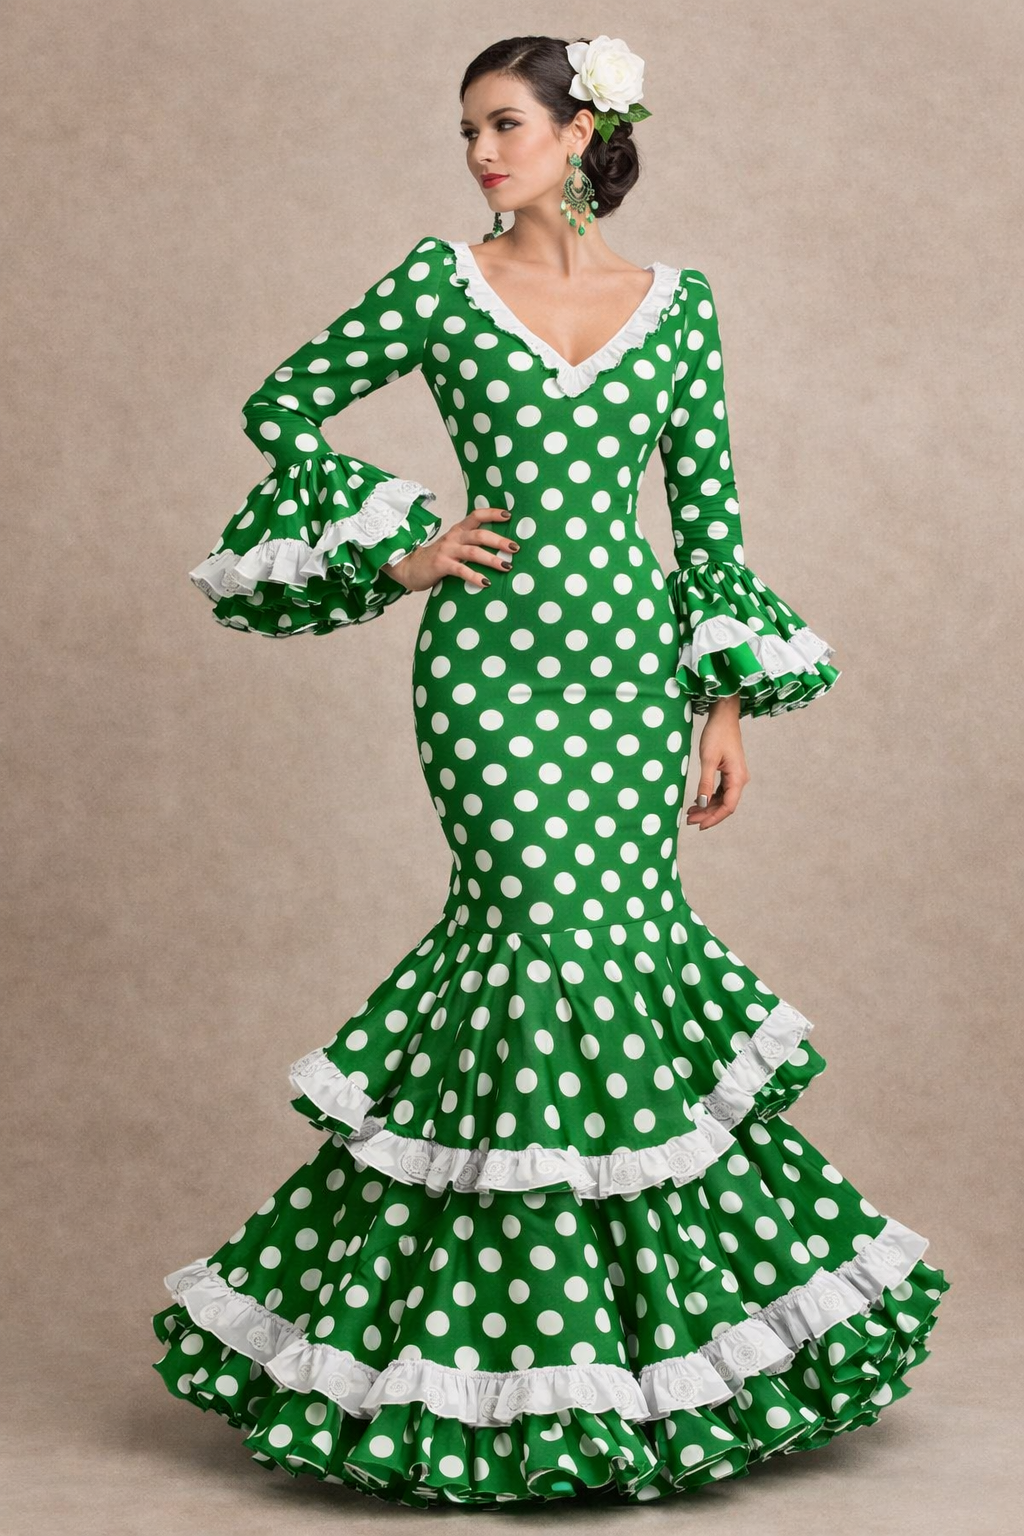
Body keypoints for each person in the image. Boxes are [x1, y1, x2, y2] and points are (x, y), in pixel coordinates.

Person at [154, 32, 950, 1509]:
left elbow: (708, 520)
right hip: (489, 680)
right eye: (467, 130)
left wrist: (723, 708)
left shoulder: (681, 306)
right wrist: (405, 549)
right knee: (531, 952)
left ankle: (651, 1362)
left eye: (506, 123)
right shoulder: (436, 282)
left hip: (632, 681)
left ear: (584, 131)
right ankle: (503, 1366)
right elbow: (283, 404)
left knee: (618, 962)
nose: (479, 153)